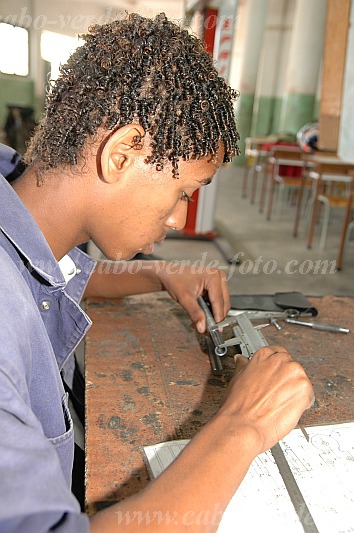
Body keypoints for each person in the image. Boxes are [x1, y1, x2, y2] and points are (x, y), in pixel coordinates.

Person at [0, 12, 314, 532]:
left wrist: (161, 272)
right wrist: (243, 425)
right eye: (183, 193)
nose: (177, 219)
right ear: (121, 153)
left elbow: (44, 271)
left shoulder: (20, 189)